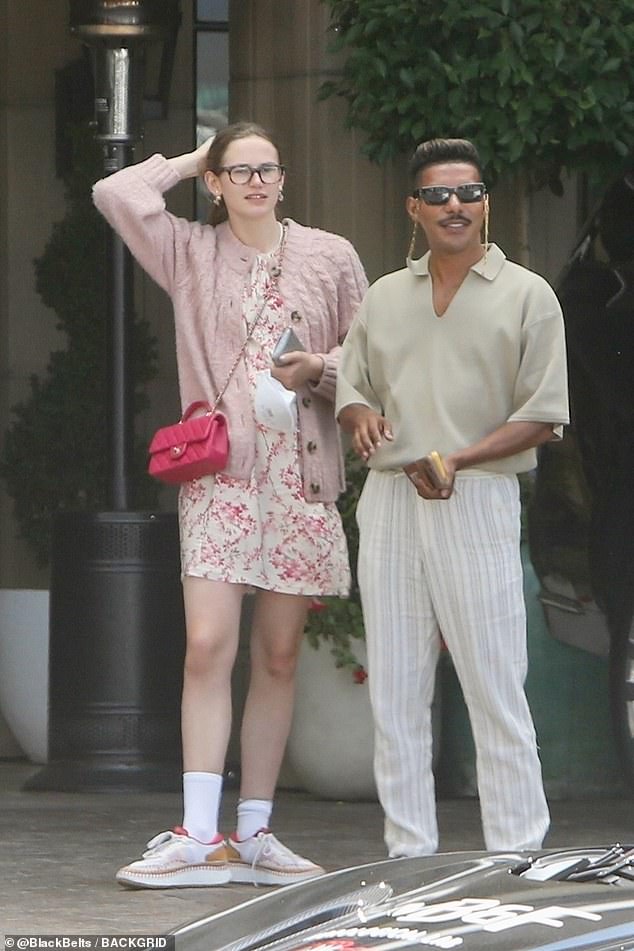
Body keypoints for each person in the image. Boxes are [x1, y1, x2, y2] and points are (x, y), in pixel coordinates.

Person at [93, 121, 368, 888]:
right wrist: (186, 159)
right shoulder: (189, 251)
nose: (255, 182)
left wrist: (321, 366)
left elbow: (375, 354)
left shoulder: (330, 255)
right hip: (221, 475)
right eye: (237, 171)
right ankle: (198, 833)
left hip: (301, 475)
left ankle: (253, 832)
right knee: (207, 645)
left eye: (266, 169)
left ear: (284, 179)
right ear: (215, 183)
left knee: (278, 655)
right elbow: (114, 193)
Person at [336, 138, 569, 858]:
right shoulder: (383, 296)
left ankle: (516, 859)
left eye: (468, 192)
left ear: (486, 201)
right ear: (414, 207)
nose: (455, 206)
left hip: (478, 495)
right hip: (390, 501)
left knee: (495, 688)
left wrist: (458, 458)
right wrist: (359, 417)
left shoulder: (528, 294)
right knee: (395, 696)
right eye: (437, 195)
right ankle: (409, 857)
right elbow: (351, 389)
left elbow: (544, 413)